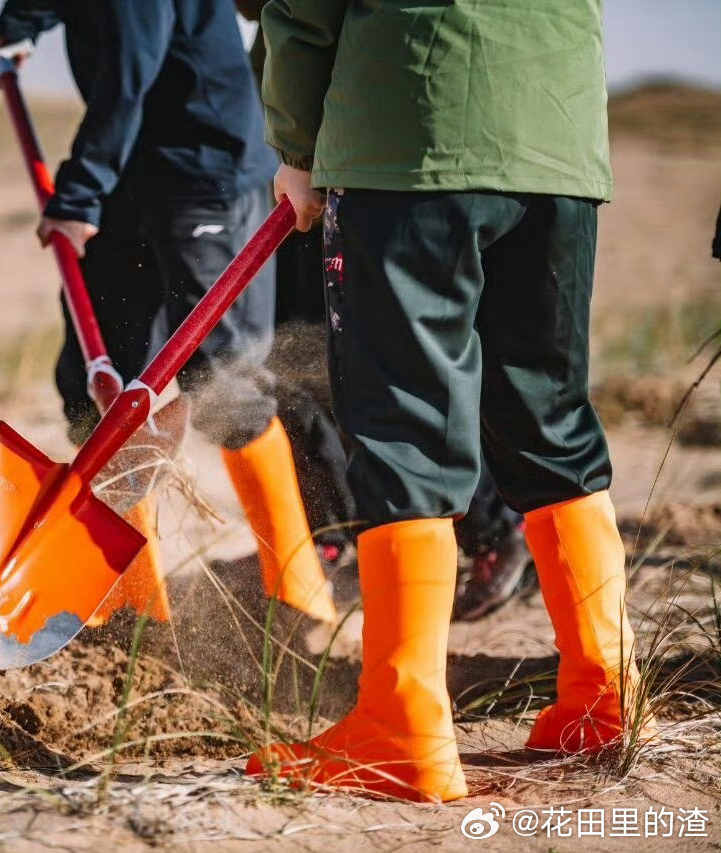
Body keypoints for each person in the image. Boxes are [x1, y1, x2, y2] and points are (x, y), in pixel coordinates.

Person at [250, 0, 649, 802]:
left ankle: (402, 725)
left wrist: (295, 145)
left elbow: (301, 10)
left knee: (404, 424)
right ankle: (603, 695)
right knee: (549, 415)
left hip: (411, 134)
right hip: (557, 141)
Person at [0, 0, 336, 626]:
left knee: (223, 382)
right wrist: (19, 22)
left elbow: (129, 65)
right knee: (97, 379)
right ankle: (136, 609)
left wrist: (79, 191)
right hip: (131, 164)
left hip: (205, 165)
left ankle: (301, 592)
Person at [233, 0, 533, 619]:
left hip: (374, 153)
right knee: (303, 353)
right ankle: (340, 535)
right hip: (299, 148)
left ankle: (491, 531)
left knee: (405, 367)